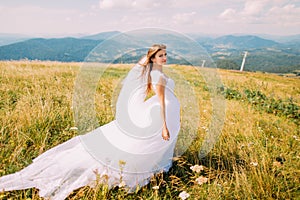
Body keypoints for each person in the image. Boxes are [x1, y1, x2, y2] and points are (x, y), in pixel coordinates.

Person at [0, 44, 181, 200]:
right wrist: (164, 126)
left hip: (160, 112)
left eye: (165, 54)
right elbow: (161, 100)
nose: (164, 58)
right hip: (159, 115)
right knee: (145, 145)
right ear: (153, 57)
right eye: (160, 55)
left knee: (152, 146)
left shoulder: (157, 71)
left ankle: (152, 164)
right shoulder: (156, 76)